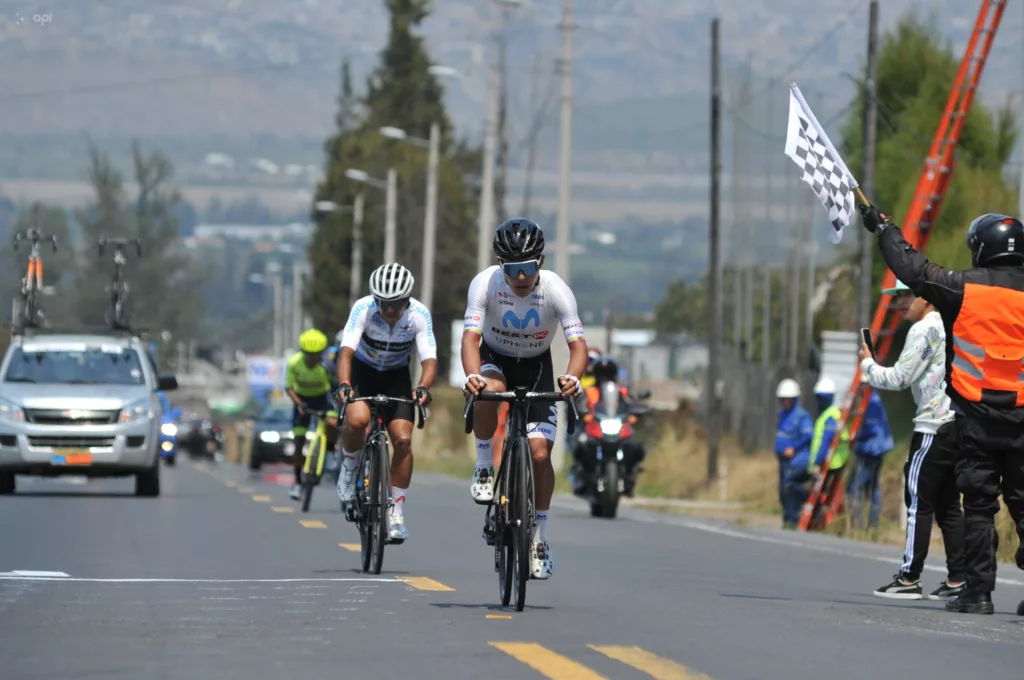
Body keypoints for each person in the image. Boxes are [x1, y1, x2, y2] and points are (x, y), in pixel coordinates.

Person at [860, 205, 1024, 615]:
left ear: (980, 249)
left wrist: (883, 228)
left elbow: (913, 270)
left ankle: (978, 593)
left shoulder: (962, 287)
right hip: (1023, 422)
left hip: (976, 419)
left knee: (979, 508)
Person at [462, 217, 587, 580]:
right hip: (495, 360)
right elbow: (470, 340)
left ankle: (540, 537)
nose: (520, 278)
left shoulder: (556, 290)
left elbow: (578, 348)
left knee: (540, 454)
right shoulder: (484, 284)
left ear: (541, 263)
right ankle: (485, 464)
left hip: (537, 367)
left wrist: (572, 379)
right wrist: (472, 376)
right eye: (512, 269)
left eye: (527, 268)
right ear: (502, 266)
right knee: (489, 392)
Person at [858, 278, 965, 601]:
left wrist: (867, 364)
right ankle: (959, 577)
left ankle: (909, 577)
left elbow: (900, 378)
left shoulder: (921, 331)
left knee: (918, 501)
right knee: (949, 506)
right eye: (898, 296)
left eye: (908, 295)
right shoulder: (949, 323)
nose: (901, 302)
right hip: (956, 423)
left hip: (931, 426)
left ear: (928, 298)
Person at [334, 262, 436, 544]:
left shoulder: (418, 315)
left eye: (397, 304)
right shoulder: (363, 309)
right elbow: (346, 352)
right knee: (357, 420)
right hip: (363, 374)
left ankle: (396, 514)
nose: (390, 311)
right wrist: (344, 385)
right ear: (375, 299)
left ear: (407, 300)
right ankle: (350, 466)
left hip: (396, 377)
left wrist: (423, 388)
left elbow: (429, 359)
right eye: (384, 304)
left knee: (402, 440)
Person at [571, 355, 647, 496]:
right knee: (581, 445)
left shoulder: (621, 391)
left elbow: (631, 403)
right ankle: (582, 476)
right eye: (602, 374)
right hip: (595, 428)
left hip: (618, 427)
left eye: (607, 373)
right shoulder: (589, 391)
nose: (604, 377)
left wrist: (635, 411)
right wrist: (582, 412)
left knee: (636, 447)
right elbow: (580, 404)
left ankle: (629, 476)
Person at [284, 329, 339, 500]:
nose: (312, 358)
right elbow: (289, 387)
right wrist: (299, 404)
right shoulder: (293, 363)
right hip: (302, 400)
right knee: (299, 441)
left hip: (323, 398)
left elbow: (335, 386)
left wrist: (336, 404)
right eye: (308, 354)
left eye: (316, 355)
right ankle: (298, 482)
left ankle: (330, 453)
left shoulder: (327, 365)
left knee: (332, 423)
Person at [845, 390, 894, 531]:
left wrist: (854, 436)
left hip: (872, 450)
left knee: (855, 487)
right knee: (873, 488)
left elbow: (872, 427)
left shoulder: (871, 401)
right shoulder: (872, 398)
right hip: (876, 448)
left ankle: (857, 525)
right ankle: (872, 525)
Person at [807, 378, 851, 519]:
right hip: (833, 461)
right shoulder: (830, 414)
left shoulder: (830, 416)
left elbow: (826, 441)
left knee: (821, 494)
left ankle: (819, 520)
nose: (819, 401)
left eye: (822, 398)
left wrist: (817, 464)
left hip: (831, 462)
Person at [774, 378, 814, 529]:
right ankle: (786, 519)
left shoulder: (801, 416)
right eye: (783, 399)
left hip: (795, 461)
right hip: (782, 461)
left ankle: (793, 519)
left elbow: (808, 436)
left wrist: (794, 449)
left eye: (788, 399)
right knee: (782, 492)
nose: (785, 402)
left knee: (789, 487)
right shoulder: (782, 415)